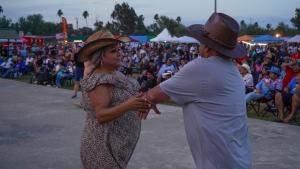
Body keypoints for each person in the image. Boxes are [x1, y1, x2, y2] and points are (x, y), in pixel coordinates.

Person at [139, 13, 252, 169]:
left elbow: (153, 95)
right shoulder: (234, 71)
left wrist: (148, 99)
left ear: (206, 47)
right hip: (238, 160)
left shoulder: (202, 67)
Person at [76, 30, 153, 169]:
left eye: (119, 49)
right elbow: (101, 115)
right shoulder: (99, 80)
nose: (120, 53)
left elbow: (128, 95)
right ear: (100, 57)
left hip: (116, 147)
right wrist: (128, 105)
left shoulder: (114, 73)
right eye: (113, 51)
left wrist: (145, 99)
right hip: (102, 149)